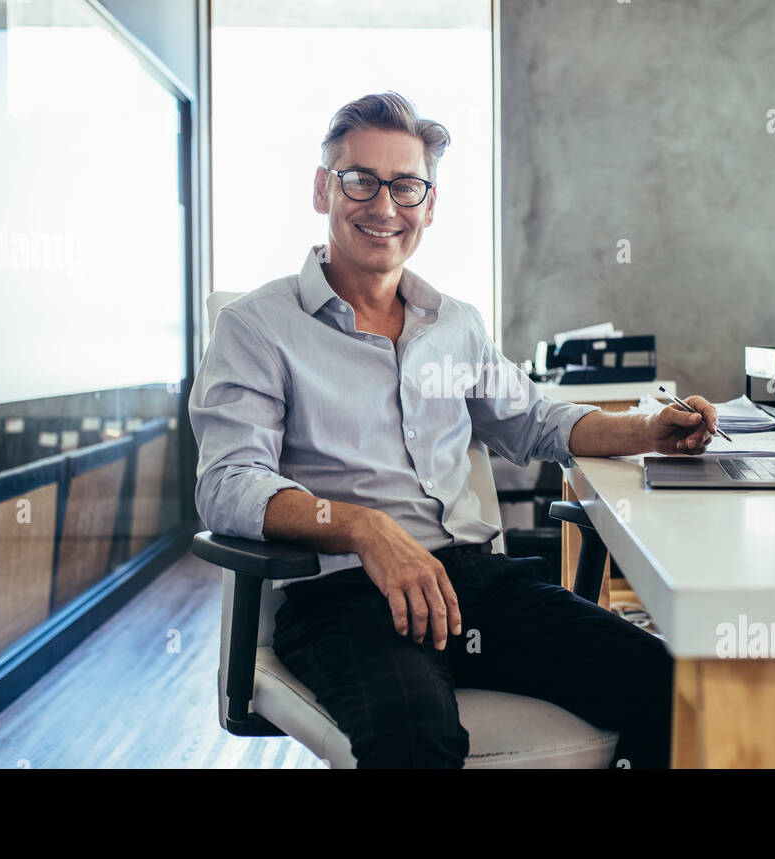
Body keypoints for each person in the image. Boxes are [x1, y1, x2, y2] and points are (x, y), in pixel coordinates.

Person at [189, 92, 719, 768]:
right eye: (360, 180)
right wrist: (366, 527)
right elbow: (228, 482)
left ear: (429, 204)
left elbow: (534, 419)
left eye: (405, 185)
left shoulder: (455, 324)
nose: (384, 206)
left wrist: (650, 429)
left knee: (675, 687)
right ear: (323, 188)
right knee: (414, 738)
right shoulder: (258, 327)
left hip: (474, 584)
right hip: (346, 596)